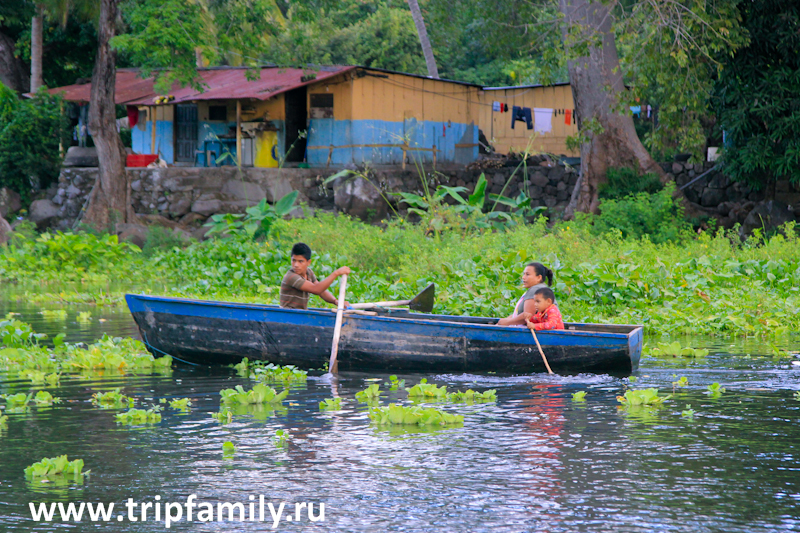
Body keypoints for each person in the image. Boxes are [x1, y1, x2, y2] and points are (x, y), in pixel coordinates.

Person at [279, 242, 351, 310]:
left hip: (300, 314)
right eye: (294, 260)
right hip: (288, 315)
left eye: (300, 261)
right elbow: (316, 289)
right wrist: (336, 273)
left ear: (308, 262)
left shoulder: (309, 272)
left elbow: (321, 292)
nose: (296, 265)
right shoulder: (291, 276)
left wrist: (336, 301)